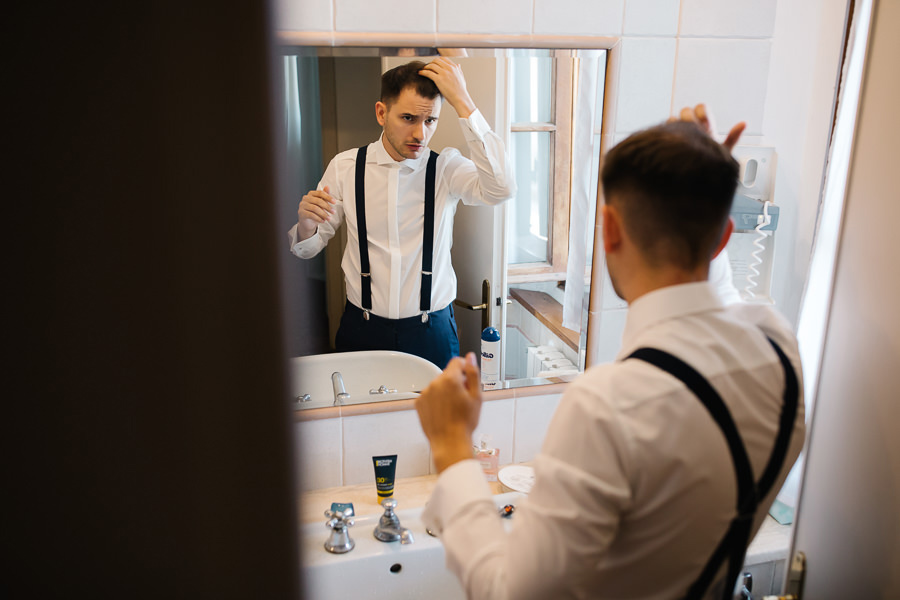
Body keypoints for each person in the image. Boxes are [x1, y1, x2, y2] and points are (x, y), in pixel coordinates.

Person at [414, 105, 806, 599]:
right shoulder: (779, 348)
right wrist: (700, 191)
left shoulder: (612, 405)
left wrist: (452, 448)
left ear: (610, 229)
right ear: (723, 237)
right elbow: (722, 298)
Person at [287, 57, 516, 368]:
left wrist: (463, 101)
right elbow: (308, 248)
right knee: (359, 418)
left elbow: (501, 188)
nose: (420, 134)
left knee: (438, 418)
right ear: (382, 113)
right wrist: (305, 225)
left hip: (431, 331)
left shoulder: (446, 168)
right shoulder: (345, 167)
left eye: (430, 120)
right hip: (362, 329)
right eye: (408, 118)